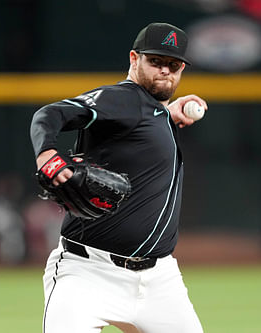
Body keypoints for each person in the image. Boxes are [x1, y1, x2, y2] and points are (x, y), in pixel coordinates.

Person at [30, 22, 207, 333]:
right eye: (156, 62)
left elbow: (140, 130)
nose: (165, 71)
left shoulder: (154, 111)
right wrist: (46, 153)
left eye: (173, 65)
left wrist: (167, 113)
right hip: (87, 273)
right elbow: (49, 115)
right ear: (134, 59)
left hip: (159, 281)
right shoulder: (123, 99)